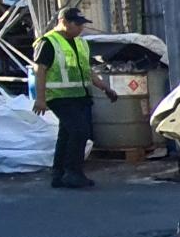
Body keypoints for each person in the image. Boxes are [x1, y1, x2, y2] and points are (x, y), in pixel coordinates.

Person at [31, 10, 118, 189]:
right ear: (64, 22)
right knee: (79, 131)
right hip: (59, 96)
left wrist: (105, 88)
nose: (81, 28)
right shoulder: (49, 42)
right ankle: (73, 172)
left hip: (78, 95)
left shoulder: (80, 43)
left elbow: (87, 70)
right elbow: (40, 70)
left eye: (81, 24)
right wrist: (40, 99)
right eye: (77, 24)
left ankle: (59, 174)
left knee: (67, 133)